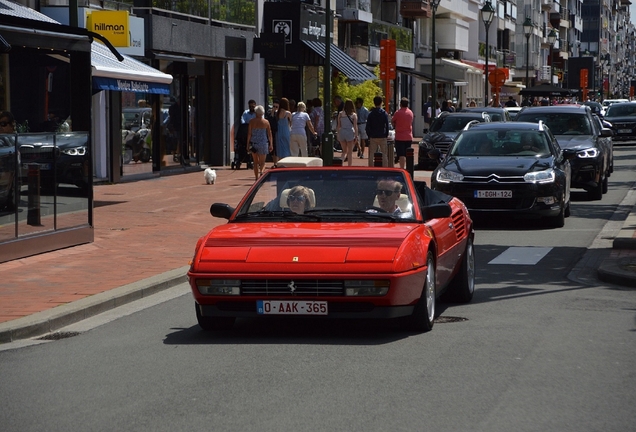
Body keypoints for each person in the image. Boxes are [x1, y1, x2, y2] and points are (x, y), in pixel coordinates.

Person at [246, 105, 274, 180]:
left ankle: (256, 177)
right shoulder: (266, 122)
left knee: (255, 162)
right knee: (262, 162)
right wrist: (271, 144)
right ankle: (261, 171)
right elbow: (269, 134)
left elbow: (249, 133)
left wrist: (248, 144)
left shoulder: (252, 121)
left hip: (254, 143)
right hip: (263, 143)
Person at [365, 96, 390, 167]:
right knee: (384, 154)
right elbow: (387, 125)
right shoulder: (384, 113)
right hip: (382, 136)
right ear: (381, 103)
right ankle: (385, 168)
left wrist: (369, 135)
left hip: (373, 136)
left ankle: (371, 167)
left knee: (371, 154)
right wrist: (386, 134)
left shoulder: (371, 114)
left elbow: (367, 126)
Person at [391, 97, 414, 170]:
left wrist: (395, 125)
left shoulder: (398, 113)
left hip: (400, 136)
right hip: (408, 136)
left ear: (400, 104)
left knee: (401, 154)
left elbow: (392, 121)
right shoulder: (410, 113)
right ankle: (408, 168)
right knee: (408, 153)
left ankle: (402, 168)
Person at [336, 99, 358, 166]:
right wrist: (356, 136)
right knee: (350, 152)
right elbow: (355, 126)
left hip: (342, 132)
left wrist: (338, 134)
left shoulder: (340, 114)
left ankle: (340, 164)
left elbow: (338, 125)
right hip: (349, 132)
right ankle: (349, 166)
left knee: (344, 151)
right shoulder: (354, 115)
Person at [266, 100, 279, 166]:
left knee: (276, 147)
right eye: (274, 106)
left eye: (276, 107)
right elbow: (268, 120)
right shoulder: (269, 112)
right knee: (271, 147)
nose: (275, 108)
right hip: (270, 131)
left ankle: (276, 163)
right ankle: (274, 161)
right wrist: (272, 113)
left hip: (277, 131)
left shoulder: (279, 114)